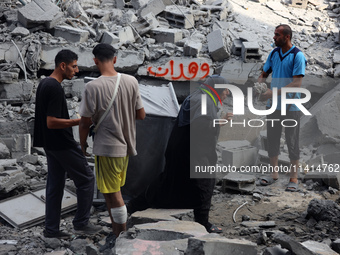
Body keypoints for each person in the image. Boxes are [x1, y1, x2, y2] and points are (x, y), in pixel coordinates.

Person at [127, 75, 233, 233]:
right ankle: (203, 222)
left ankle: (133, 206)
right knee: (205, 182)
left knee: (170, 181)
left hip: (182, 149)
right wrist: (220, 122)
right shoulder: (204, 100)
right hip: (192, 151)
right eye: (225, 89)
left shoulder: (201, 96)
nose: (227, 93)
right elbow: (201, 126)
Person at [78, 43, 145, 240]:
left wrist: (83, 145)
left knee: (114, 194)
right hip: (125, 146)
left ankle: (121, 235)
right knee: (110, 192)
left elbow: (84, 123)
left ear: (95, 61)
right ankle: (116, 231)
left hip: (107, 147)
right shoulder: (131, 81)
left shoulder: (92, 87)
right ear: (115, 59)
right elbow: (141, 115)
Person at [33, 49, 101, 239]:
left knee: (55, 185)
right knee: (87, 179)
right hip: (61, 143)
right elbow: (51, 122)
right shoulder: (54, 87)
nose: (76, 70)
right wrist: (78, 121)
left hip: (50, 144)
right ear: (62, 66)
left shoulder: (44, 83)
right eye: (73, 66)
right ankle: (81, 224)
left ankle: (51, 230)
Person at [258, 24, 307, 191]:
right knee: (272, 138)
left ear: (287, 37)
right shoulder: (273, 53)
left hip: (291, 106)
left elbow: (297, 83)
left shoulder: (297, 56)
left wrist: (273, 93)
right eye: (274, 34)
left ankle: (294, 177)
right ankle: (274, 174)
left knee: (292, 141)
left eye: (277, 35)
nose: (274, 37)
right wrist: (260, 87)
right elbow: (264, 73)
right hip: (274, 106)